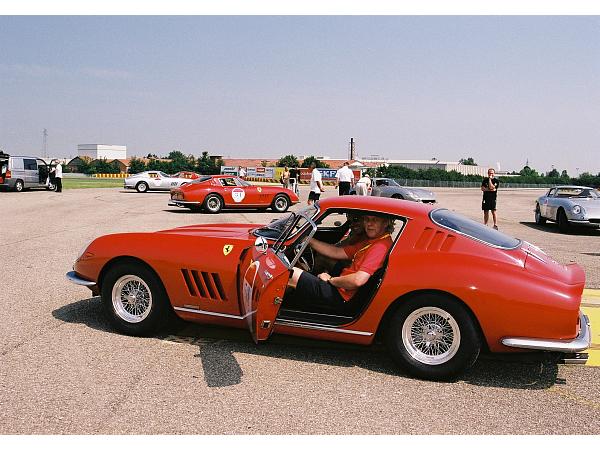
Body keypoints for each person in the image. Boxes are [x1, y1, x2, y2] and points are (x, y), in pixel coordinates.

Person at [287, 215, 394, 308]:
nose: (369, 224)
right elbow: (337, 252)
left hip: (341, 296)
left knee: (288, 273)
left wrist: (331, 280)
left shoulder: (379, 247)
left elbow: (358, 280)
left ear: (385, 223)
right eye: (367, 219)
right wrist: (307, 240)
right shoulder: (375, 241)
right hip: (344, 289)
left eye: (375, 220)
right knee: (320, 260)